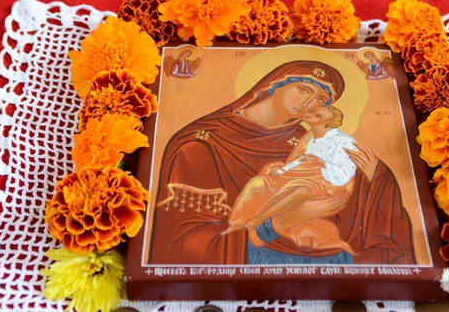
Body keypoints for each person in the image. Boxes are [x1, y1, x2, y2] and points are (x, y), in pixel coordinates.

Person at [150, 60, 415, 265]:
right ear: (274, 85)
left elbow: (344, 196)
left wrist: (378, 176)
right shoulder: (200, 146)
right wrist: (280, 223)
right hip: (251, 252)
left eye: (321, 101)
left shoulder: (305, 138)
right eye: (303, 90)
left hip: (309, 242)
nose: (309, 103)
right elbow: (184, 245)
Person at [220, 106, 358, 256]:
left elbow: (345, 172)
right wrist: (280, 169)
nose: (310, 115)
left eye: (317, 116)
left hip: (326, 182)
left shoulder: (343, 141)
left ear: (328, 121)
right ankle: (236, 225)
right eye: (312, 111)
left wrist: (320, 161)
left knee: (300, 190)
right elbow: (296, 163)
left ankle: (257, 221)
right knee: (258, 183)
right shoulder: (308, 137)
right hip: (297, 176)